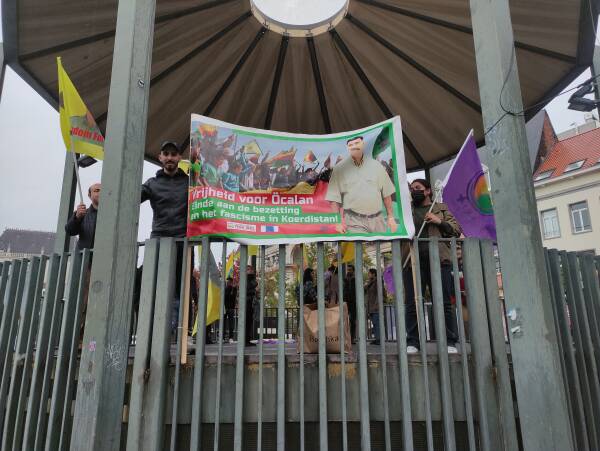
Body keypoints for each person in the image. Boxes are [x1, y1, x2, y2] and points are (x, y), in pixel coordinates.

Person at [404, 178, 462, 354]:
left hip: (439, 261)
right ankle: (413, 341)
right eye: (412, 188)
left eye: (418, 187)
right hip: (413, 261)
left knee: (443, 302)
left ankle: (449, 341)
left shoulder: (441, 208)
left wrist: (439, 221)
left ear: (428, 191)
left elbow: (456, 230)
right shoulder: (406, 210)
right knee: (412, 303)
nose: (414, 190)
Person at [141, 141, 190, 334]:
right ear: (160, 157)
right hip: (159, 240)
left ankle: (178, 332)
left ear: (179, 158)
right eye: (166, 154)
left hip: (182, 240)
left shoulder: (189, 183)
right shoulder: (152, 183)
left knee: (181, 287)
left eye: (173, 154)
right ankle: (154, 330)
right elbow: (130, 197)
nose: (170, 157)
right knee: (154, 285)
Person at [326, 136, 397, 234]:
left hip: (378, 220)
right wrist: (337, 223)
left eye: (357, 143)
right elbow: (333, 198)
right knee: (360, 244)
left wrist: (390, 217)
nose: (354, 146)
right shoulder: (339, 169)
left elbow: (386, 193)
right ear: (347, 148)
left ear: (363, 144)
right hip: (354, 221)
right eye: (351, 145)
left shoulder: (377, 166)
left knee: (383, 244)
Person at [65, 183, 101, 251]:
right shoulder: (82, 214)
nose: (101, 192)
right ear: (89, 195)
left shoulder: (115, 215)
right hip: (85, 256)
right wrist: (77, 217)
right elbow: (70, 231)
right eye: (97, 190)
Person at [365, 268, 381, 344]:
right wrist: (367, 283)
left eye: (369, 273)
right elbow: (364, 290)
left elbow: (379, 294)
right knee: (374, 322)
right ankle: (377, 338)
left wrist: (377, 304)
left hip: (375, 306)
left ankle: (378, 339)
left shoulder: (377, 282)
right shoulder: (370, 283)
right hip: (370, 306)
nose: (368, 275)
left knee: (376, 322)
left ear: (373, 274)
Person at [245, 265, 258, 346]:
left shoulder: (250, 279)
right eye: (249, 269)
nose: (251, 271)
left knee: (249, 322)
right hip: (247, 303)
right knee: (247, 322)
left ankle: (247, 339)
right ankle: (246, 340)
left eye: (252, 269)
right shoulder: (247, 279)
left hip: (250, 303)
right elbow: (250, 287)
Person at [344, 264, 357, 343]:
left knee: (352, 320)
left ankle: (352, 338)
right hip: (345, 302)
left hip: (353, 302)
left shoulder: (355, 280)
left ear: (353, 271)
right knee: (345, 320)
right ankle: (346, 338)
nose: (348, 271)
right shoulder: (344, 279)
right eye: (348, 270)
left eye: (350, 270)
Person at [224, 277, 237, 341]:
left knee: (230, 323)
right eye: (227, 282)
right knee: (225, 323)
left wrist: (232, 288)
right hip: (226, 308)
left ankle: (230, 337)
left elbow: (233, 297)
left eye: (228, 282)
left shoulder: (233, 289)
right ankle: (225, 337)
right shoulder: (226, 289)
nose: (228, 283)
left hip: (230, 308)